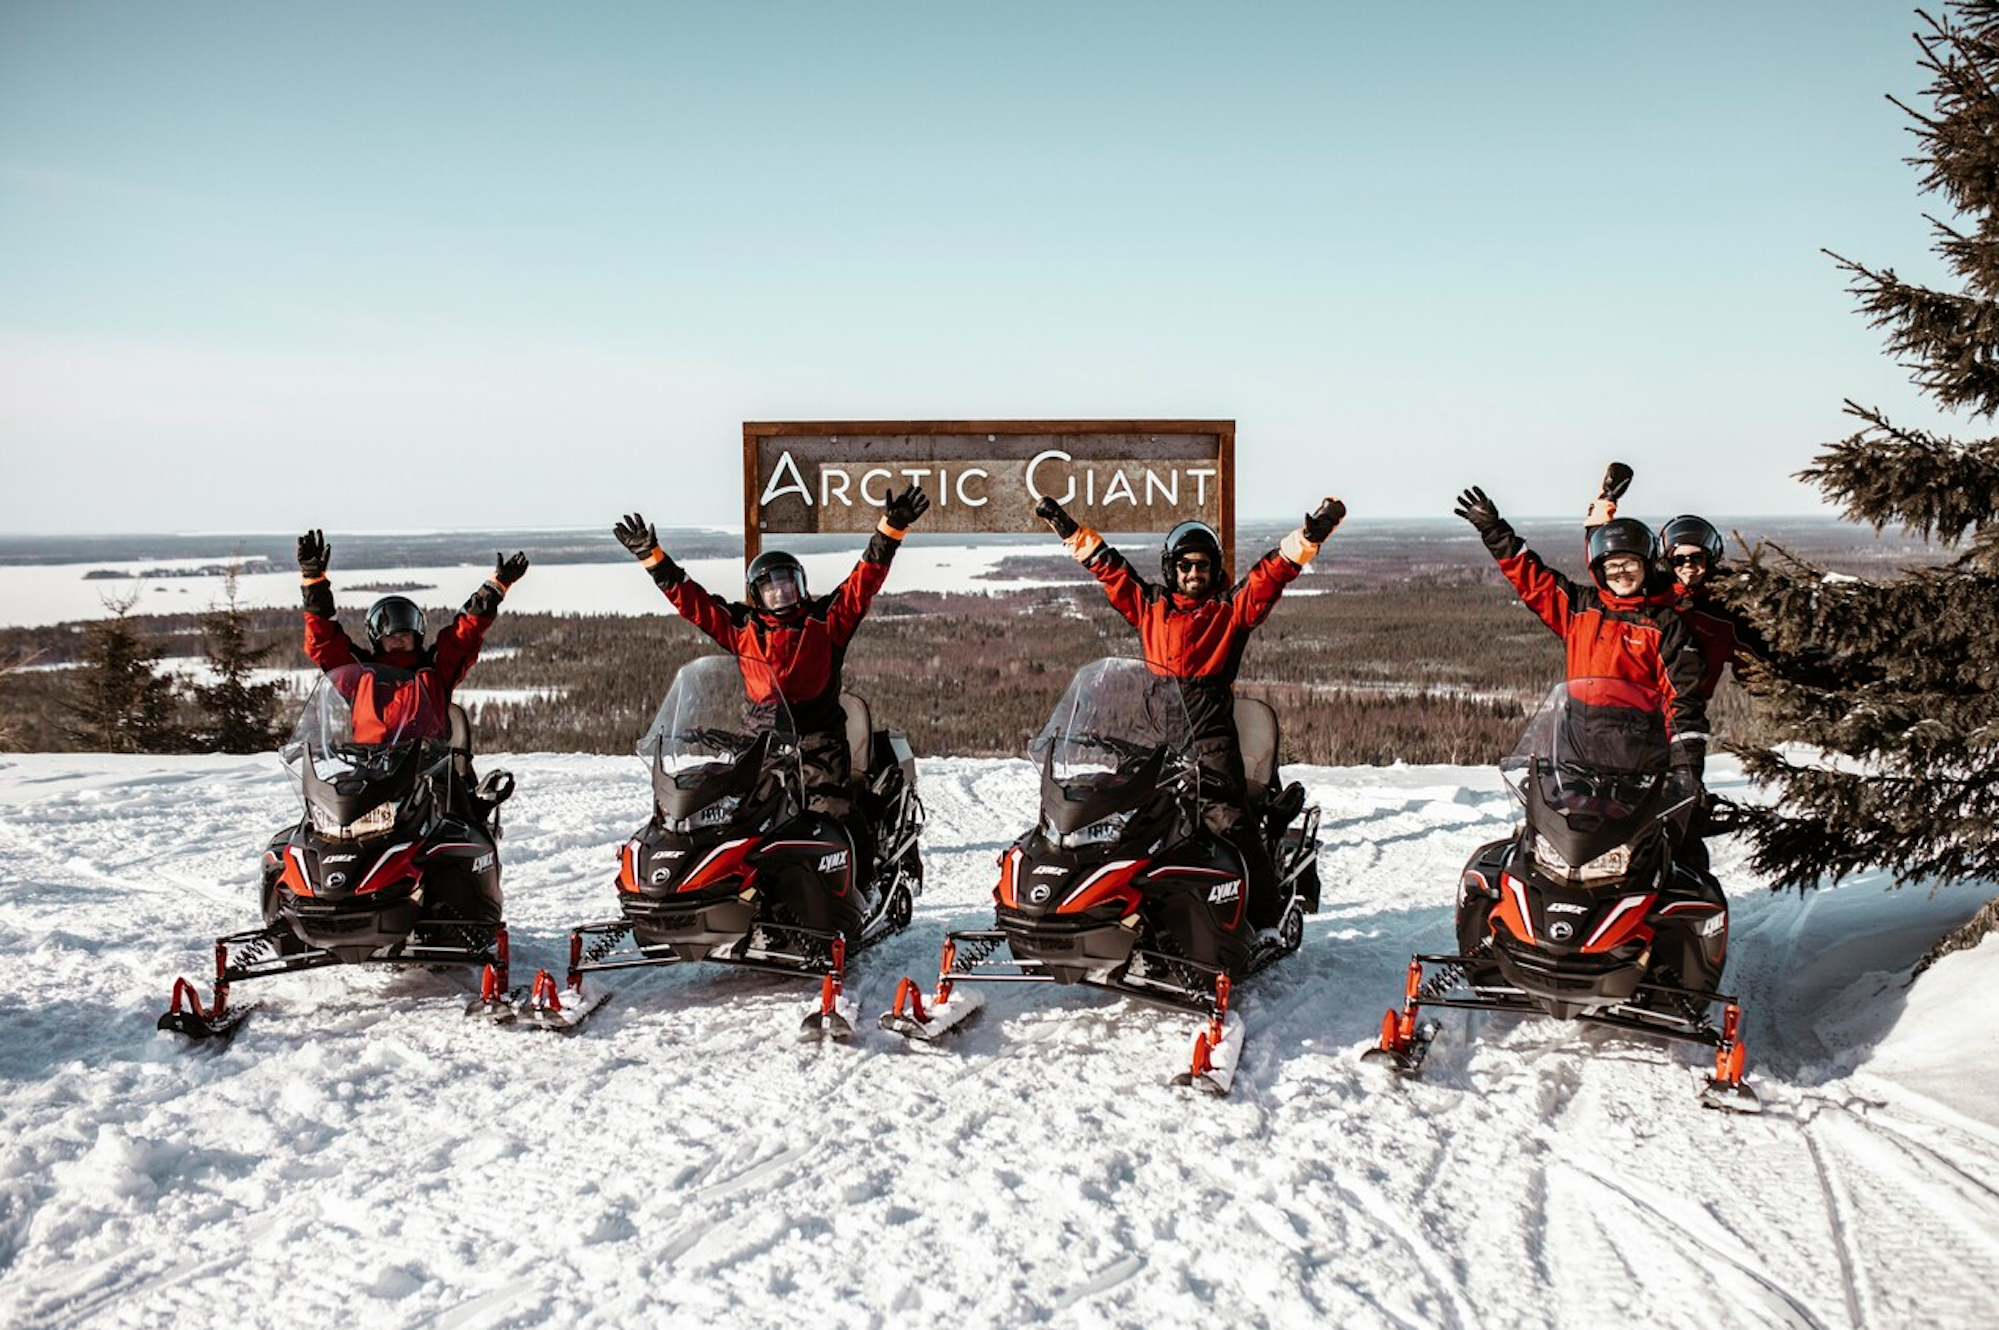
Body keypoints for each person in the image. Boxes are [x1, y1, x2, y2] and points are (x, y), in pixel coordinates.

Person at [1033, 494, 1345, 931]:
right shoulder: (1151, 607)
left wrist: (1310, 537)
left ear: (1214, 569)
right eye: (1185, 566)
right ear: (1171, 570)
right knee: (1128, 822)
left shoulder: (1229, 611)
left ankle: (1264, 916)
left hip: (1211, 741)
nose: (1194, 574)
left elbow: (1272, 574)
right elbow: (1109, 567)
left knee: (1228, 824)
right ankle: (1124, 913)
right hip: (1157, 741)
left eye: (1202, 566)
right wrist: (1068, 530)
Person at [612, 486, 930, 874]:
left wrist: (890, 530)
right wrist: (654, 559)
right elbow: (695, 604)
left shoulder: (827, 620)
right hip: (759, 738)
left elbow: (864, 581)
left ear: (799, 583)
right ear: (757, 594)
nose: (779, 591)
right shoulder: (742, 626)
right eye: (769, 586)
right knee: (727, 814)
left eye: (786, 582)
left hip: (817, 737)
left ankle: (858, 889)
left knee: (832, 813)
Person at [1455, 486, 1710, 854]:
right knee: (1544, 842)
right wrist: (1493, 529)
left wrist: (1686, 771)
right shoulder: (1579, 608)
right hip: (1575, 748)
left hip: (1639, 753)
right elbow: (1532, 578)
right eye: (1613, 566)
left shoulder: (1666, 626)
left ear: (1646, 565)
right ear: (1600, 570)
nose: (1622, 573)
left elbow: (1684, 700)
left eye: (1630, 564)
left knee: (1665, 846)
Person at [295, 529, 527, 715]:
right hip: (371, 768)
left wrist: (494, 589)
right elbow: (324, 642)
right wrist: (313, 581)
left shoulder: (435, 671)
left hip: (426, 767)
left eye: (405, 633)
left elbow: (462, 637)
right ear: (377, 637)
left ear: (417, 634)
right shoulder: (360, 675)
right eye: (390, 635)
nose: (398, 639)